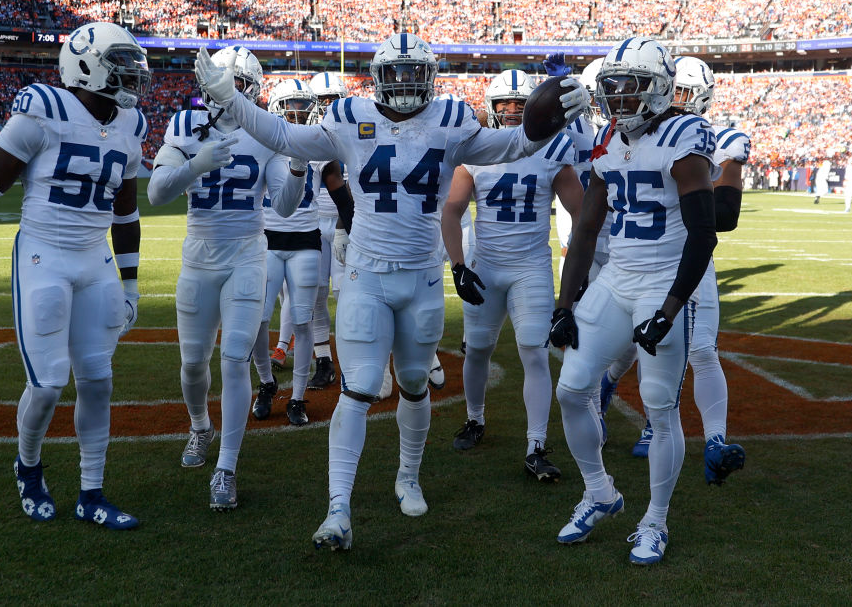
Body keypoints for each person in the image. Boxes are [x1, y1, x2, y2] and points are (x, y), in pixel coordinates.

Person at [195, 32, 585, 550]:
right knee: (357, 388)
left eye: (413, 73)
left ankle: (408, 476)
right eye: (394, 73)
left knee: (415, 384)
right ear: (377, 78)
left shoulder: (452, 119)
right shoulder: (348, 115)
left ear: (429, 77)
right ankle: (338, 509)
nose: (403, 83)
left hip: (423, 276)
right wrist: (232, 99)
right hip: (367, 275)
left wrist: (551, 118)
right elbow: (285, 136)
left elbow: (514, 144)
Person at [0, 21, 150, 529]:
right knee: (49, 383)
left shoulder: (130, 124)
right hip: (43, 255)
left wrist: (131, 283)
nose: (131, 77)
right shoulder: (43, 110)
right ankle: (28, 468)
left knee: (98, 380)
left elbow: (125, 212)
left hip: (95, 259)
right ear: (86, 66)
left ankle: (91, 493)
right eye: (120, 65)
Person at [549, 37, 718, 565]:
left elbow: (703, 234)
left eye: (632, 87)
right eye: (613, 88)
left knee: (660, 407)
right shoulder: (608, 137)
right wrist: (564, 305)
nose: (620, 98)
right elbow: (586, 227)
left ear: (661, 88)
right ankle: (599, 492)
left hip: (663, 282)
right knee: (571, 389)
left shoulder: (685, 134)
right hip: (617, 278)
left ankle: (655, 521)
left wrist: (670, 309)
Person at [146, 46, 308, 510]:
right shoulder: (185, 124)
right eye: (222, 83)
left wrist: (298, 167)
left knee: (235, 358)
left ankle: (226, 468)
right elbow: (156, 193)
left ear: (251, 90)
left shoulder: (265, 131)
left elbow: (284, 206)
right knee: (193, 364)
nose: (227, 92)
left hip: (246, 255)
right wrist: (195, 165)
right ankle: (201, 426)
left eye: (237, 84)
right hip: (199, 257)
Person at [600, 56, 747, 481]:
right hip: (641, 260)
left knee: (701, 350)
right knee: (637, 343)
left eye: (685, 92)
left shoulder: (719, 139)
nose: (676, 99)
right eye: (673, 89)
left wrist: (686, 192)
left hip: (693, 259)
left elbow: (725, 216)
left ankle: (716, 442)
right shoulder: (630, 136)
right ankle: (621, 395)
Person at [442, 69, 585, 483]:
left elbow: (581, 214)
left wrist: (582, 267)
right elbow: (451, 210)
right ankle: (475, 418)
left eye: (519, 104)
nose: (510, 110)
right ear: (491, 106)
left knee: (534, 353)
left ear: (534, 109)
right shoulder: (477, 148)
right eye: (503, 103)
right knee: (477, 350)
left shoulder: (553, 145)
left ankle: (535, 445)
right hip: (486, 266)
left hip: (530, 268)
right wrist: (458, 265)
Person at [250, 78, 353, 426]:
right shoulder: (262, 145)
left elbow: (342, 196)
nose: (296, 113)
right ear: (275, 110)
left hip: (306, 241)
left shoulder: (320, 148)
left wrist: (351, 230)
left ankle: (296, 397)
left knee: (303, 320)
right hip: (268, 240)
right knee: (258, 319)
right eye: (289, 106)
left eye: (302, 106)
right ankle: (266, 383)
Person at [305, 71, 352, 390]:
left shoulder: (356, 133)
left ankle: (352, 359)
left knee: (347, 293)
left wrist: (349, 223)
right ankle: (324, 361)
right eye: (320, 100)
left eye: (332, 99)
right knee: (314, 293)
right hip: (312, 222)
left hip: (345, 220)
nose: (326, 106)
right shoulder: (306, 134)